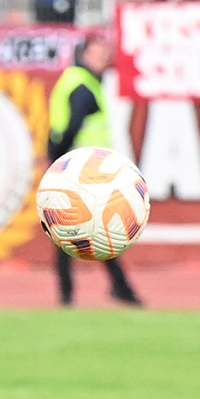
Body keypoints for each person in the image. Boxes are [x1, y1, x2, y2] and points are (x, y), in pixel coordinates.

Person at [48, 32, 142, 308]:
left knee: (82, 229)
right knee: (88, 229)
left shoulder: (77, 80)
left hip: (80, 167)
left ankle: (104, 289)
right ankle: (86, 292)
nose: (103, 60)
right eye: (98, 54)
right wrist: (61, 160)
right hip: (82, 169)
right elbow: (72, 127)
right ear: (84, 55)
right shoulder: (83, 86)